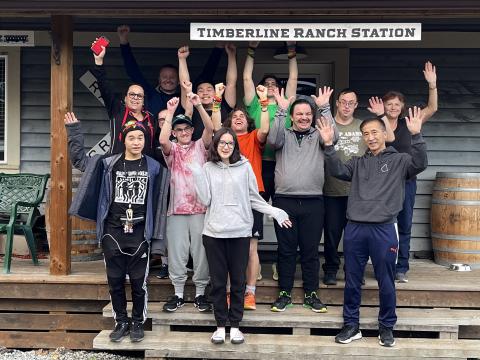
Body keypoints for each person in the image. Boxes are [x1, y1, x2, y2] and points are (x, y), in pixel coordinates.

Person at [318, 106, 428, 347]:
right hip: (355, 228)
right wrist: (328, 146)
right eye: (366, 133)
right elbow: (336, 170)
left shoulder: (400, 160)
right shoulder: (357, 163)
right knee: (352, 280)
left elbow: (420, 164)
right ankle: (351, 325)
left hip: (384, 229)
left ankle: (386, 327)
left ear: (384, 133)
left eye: (375, 132)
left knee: (385, 280)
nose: (371, 137)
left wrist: (417, 136)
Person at [65, 112, 166, 343]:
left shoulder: (154, 166)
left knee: (140, 283)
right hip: (113, 230)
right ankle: (121, 321)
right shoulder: (109, 163)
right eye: (132, 137)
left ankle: (138, 322)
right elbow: (80, 161)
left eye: (140, 137)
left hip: (140, 232)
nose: (137, 142)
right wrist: (74, 132)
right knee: (116, 280)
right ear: (124, 139)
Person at [190, 127, 292, 345]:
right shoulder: (207, 168)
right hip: (214, 234)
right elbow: (206, 200)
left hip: (240, 232)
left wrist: (274, 211)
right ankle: (220, 326)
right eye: (222, 143)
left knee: (238, 281)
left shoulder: (245, 167)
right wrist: (198, 175)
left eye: (230, 143)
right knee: (218, 283)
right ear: (215, 145)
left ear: (234, 146)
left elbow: (253, 197)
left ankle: (235, 325)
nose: (226, 147)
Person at [267, 86, 337, 313]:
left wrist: (325, 108)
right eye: (299, 114)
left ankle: (311, 293)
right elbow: (273, 140)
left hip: (313, 201)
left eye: (308, 113)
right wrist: (280, 110)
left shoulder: (318, 135)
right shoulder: (284, 133)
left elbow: (332, 137)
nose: (304, 117)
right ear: (292, 116)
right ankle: (285, 293)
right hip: (285, 201)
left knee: (309, 250)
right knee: (286, 250)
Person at [369, 61, 437, 283]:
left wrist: (432, 85)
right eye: (389, 104)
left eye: (397, 104)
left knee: (404, 225)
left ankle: (401, 268)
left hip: (406, 182)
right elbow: (387, 138)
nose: (393, 107)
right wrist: (380, 117)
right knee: (382, 225)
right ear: (384, 106)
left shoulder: (411, 123)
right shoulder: (377, 124)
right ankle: (382, 263)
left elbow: (432, 108)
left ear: (402, 106)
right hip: (383, 185)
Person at [322, 89, 394, 285]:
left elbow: (388, 139)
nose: (346, 105)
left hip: (358, 193)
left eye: (351, 102)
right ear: (337, 103)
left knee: (356, 237)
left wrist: (381, 115)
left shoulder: (363, 126)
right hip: (331, 189)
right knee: (332, 233)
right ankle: (330, 269)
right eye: (343, 101)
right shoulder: (328, 125)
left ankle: (354, 270)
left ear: (356, 105)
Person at [243, 41, 298, 281]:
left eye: (274, 84)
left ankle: (281, 263)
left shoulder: (288, 104)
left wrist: (292, 51)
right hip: (258, 166)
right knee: (255, 213)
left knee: (282, 214)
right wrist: (251, 50)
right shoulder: (255, 104)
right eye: (266, 84)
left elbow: (294, 77)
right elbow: (246, 78)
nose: (270, 87)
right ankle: (251, 266)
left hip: (283, 166)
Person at [159, 94, 214, 312]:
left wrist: (199, 105)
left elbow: (210, 129)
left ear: (192, 131)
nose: (183, 132)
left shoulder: (201, 146)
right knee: (177, 252)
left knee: (201, 253)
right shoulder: (171, 150)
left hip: (201, 209)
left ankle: (200, 294)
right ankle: (178, 294)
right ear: (174, 132)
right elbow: (162, 141)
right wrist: (170, 112)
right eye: (179, 130)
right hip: (177, 210)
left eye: (187, 129)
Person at [221, 85, 270, 310]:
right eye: (234, 116)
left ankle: (250, 293)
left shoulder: (253, 137)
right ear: (229, 123)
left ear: (248, 121)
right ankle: (232, 291)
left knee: (251, 247)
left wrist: (263, 104)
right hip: (228, 197)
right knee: (231, 247)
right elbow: (214, 127)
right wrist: (215, 102)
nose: (239, 118)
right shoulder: (224, 142)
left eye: (242, 116)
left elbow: (265, 130)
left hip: (252, 197)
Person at [117, 25, 225, 118]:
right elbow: (133, 72)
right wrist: (123, 41)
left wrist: (219, 47)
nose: (168, 80)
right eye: (164, 76)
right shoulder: (151, 95)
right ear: (158, 80)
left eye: (172, 77)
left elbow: (207, 73)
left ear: (179, 80)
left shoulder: (186, 97)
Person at [91, 44, 157, 158]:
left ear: (143, 100)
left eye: (139, 96)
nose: (135, 98)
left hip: (144, 170)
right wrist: (99, 61)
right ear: (125, 98)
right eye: (132, 94)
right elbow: (104, 87)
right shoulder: (117, 110)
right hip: (118, 167)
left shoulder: (151, 118)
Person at [178, 44, 237, 141]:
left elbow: (231, 83)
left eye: (209, 90)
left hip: (222, 152)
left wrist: (231, 55)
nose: (205, 93)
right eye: (200, 90)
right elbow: (185, 85)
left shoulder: (225, 106)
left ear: (216, 92)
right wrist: (182, 59)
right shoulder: (192, 108)